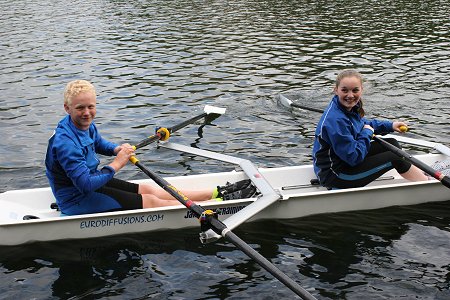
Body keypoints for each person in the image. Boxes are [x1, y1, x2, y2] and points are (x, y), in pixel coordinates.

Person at [45, 80, 256, 216]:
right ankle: (217, 205)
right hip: (77, 198)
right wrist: (118, 163)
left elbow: (98, 143)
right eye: (80, 108)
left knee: (149, 188)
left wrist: (116, 149)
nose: (87, 112)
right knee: (153, 200)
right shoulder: (65, 143)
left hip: (92, 181)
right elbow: (85, 185)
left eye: (91, 106)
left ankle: (217, 192)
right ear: (67, 108)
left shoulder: (82, 124)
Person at [312, 69, 428, 189]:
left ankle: (421, 175)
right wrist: (367, 133)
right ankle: (427, 184)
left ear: (361, 90)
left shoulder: (344, 108)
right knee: (396, 157)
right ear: (336, 90)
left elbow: (363, 124)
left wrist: (391, 125)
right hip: (336, 176)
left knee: (392, 144)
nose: (350, 95)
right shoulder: (335, 120)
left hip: (343, 162)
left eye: (355, 90)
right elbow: (354, 157)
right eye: (345, 90)